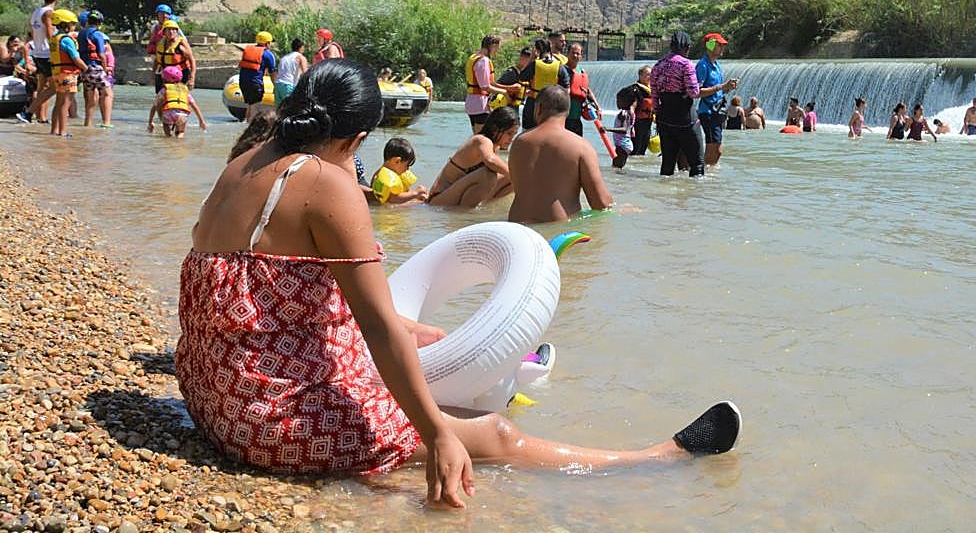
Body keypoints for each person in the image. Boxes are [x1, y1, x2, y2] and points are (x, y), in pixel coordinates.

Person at [178, 59, 741, 505]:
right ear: (358, 135)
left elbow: (276, 294)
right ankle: (656, 461)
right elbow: (375, 328)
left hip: (212, 392)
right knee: (491, 432)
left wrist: (417, 332)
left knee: (422, 335)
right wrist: (438, 435)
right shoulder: (325, 180)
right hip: (265, 420)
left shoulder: (246, 163)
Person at [508, 86, 614, 223]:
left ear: (538, 108)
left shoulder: (519, 142)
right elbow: (601, 204)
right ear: (567, 113)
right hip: (558, 234)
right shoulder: (581, 147)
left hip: (518, 227)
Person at [427, 105, 518, 207]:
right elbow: (490, 160)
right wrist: (519, 177)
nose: (512, 138)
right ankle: (465, 216)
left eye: (514, 134)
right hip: (438, 200)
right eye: (509, 133)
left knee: (513, 176)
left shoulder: (494, 147)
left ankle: (476, 212)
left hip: (456, 197)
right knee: (488, 175)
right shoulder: (481, 140)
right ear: (495, 129)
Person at [650, 31, 704, 177]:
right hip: (685, 118)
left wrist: (658, 112)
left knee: (667, 164)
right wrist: (699, 86)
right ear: (686, 47)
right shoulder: (686, 65)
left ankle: (664, 197)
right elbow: (693, 93)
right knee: (697, 163)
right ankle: (699, 197)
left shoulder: (658, 65)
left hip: (664, 118)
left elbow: (654, 94)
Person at [695, 33, 738, 167]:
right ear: (710, 45)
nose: (722, 48)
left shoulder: (717, 66)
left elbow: (718, 90)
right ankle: (704, 173)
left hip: (718, 111)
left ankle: (707, 171)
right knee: (714, 147)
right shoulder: (702, 66)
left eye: (723, 45)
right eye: (719, 45)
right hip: (707, 112)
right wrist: (721, 86)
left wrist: (728, 88)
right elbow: (697, 92)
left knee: (717, 149)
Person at [465, 34, 517, 134]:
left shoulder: (474, 57)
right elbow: (485, 86)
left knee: (478, 136)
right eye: (496, 48)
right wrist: (505, 93)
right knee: (484, 138)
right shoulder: (483, 61)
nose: (496, 51)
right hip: (480, 104)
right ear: (492, 46)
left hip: (471, 102)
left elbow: (491, 83)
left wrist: (508, 88)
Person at [21, 0, 59, 124]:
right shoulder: (49, 12)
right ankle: (28, 113)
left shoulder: (36, 12)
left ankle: (41, 118)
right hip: (47, 53)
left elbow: (31, 33)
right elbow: (50, 35)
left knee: (41, 87)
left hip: (37, 53)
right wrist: (58, 50)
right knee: (55, 88)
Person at [48, 9, 85, 137]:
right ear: (65, 24)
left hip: (57, 73)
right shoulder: (67, 40)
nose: (74, 26)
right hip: (68, 73)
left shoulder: (54, 38)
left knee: (58, 102)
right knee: (66, 103)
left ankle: (54, 130)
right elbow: (75, 58)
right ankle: (63, 131)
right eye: (73, 24)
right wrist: (86, 68)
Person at [518, 38, 569, 131]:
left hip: (533, 104)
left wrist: (531, 59)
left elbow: (521, 77)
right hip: (552, 105)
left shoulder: (534, 65)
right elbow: (566, 88)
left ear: (536, 51)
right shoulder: (559, 66)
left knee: (527, 133)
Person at [148, 65, 207, 138]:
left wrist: (150, 122)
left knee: (166, 127)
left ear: (163, 78)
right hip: (182, 114)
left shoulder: (164, 90)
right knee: (180, 132)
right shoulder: (185, 90)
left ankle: (168, 138)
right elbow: (194, 106)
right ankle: (178, 144)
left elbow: (154, 106)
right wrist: (201, 121)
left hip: (168, 113)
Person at [78, 11, 113, 128]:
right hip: (95, 68)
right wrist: (105, 68)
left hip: (84, 68)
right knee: (107, 93)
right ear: (99, 23)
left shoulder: (81, 33)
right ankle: (106, 123)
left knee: (91, 97)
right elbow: (102, 55)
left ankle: (87, 123)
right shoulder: (97, 34)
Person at [370, 137, 428, 206]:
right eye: (407, 165)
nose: (407, 169)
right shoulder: (386, 177)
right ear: (397, 161)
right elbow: (392, 199)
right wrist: (415, 193)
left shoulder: (383, 173)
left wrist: (416, 195)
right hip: (389, 213)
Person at [237, 31, 278, 117]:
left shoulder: (249, 51)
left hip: (243, 83)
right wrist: (275, 86)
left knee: (250, 105)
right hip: (255, 84)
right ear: (267, 43)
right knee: (255, 107)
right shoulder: (268, 54)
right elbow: (272, 73)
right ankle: (251, 127)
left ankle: (246, 124)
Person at [564, 42, 600, 137]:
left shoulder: (582, 71)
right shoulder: (562, 70)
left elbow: (586, 89)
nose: (575, 55)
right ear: (567, 54)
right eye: (573, 53)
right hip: (564, 118)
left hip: (577, 118)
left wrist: (597, 106)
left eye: (578, 53)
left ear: (581, 56)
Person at [154, 20, 197, 93]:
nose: (171, 32)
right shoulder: (161, 43)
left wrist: (192, 79)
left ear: (177, 31)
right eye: (169, 29)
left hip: (180, 75)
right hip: (164, 74)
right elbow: (157, 60)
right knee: (160, 97)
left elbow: (192, 60)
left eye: (174, 29)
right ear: (164, 32)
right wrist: (153, 74)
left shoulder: (181, 44)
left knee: (180, 98)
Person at [607, 85, 637, 169]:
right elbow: (630, 128)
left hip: (622, 145)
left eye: (618, 100)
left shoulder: (623, 114)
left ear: (626, 101)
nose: (617, 102)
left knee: (616, 167)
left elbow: (624, 129)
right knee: (619, 168)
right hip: (625, 144)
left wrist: (607, 129)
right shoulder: (630, 112)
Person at [273, 38, 308, 103]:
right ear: (301, 47)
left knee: (279, 111)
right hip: (288, 85)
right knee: (291, 111)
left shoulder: (284, 57)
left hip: (278, 85)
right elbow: (306, 74)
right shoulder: (301, 57)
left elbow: (277, 71)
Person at [630, 65, 655, 154]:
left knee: (643, 148)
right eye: (647, 74)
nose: (650, 77)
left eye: (651, 75)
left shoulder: (651, 89)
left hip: (648, 122)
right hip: (637, 123)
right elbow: (631, 108)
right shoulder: (636, 89)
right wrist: (631, 126)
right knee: (635, 149)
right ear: (640, 76)